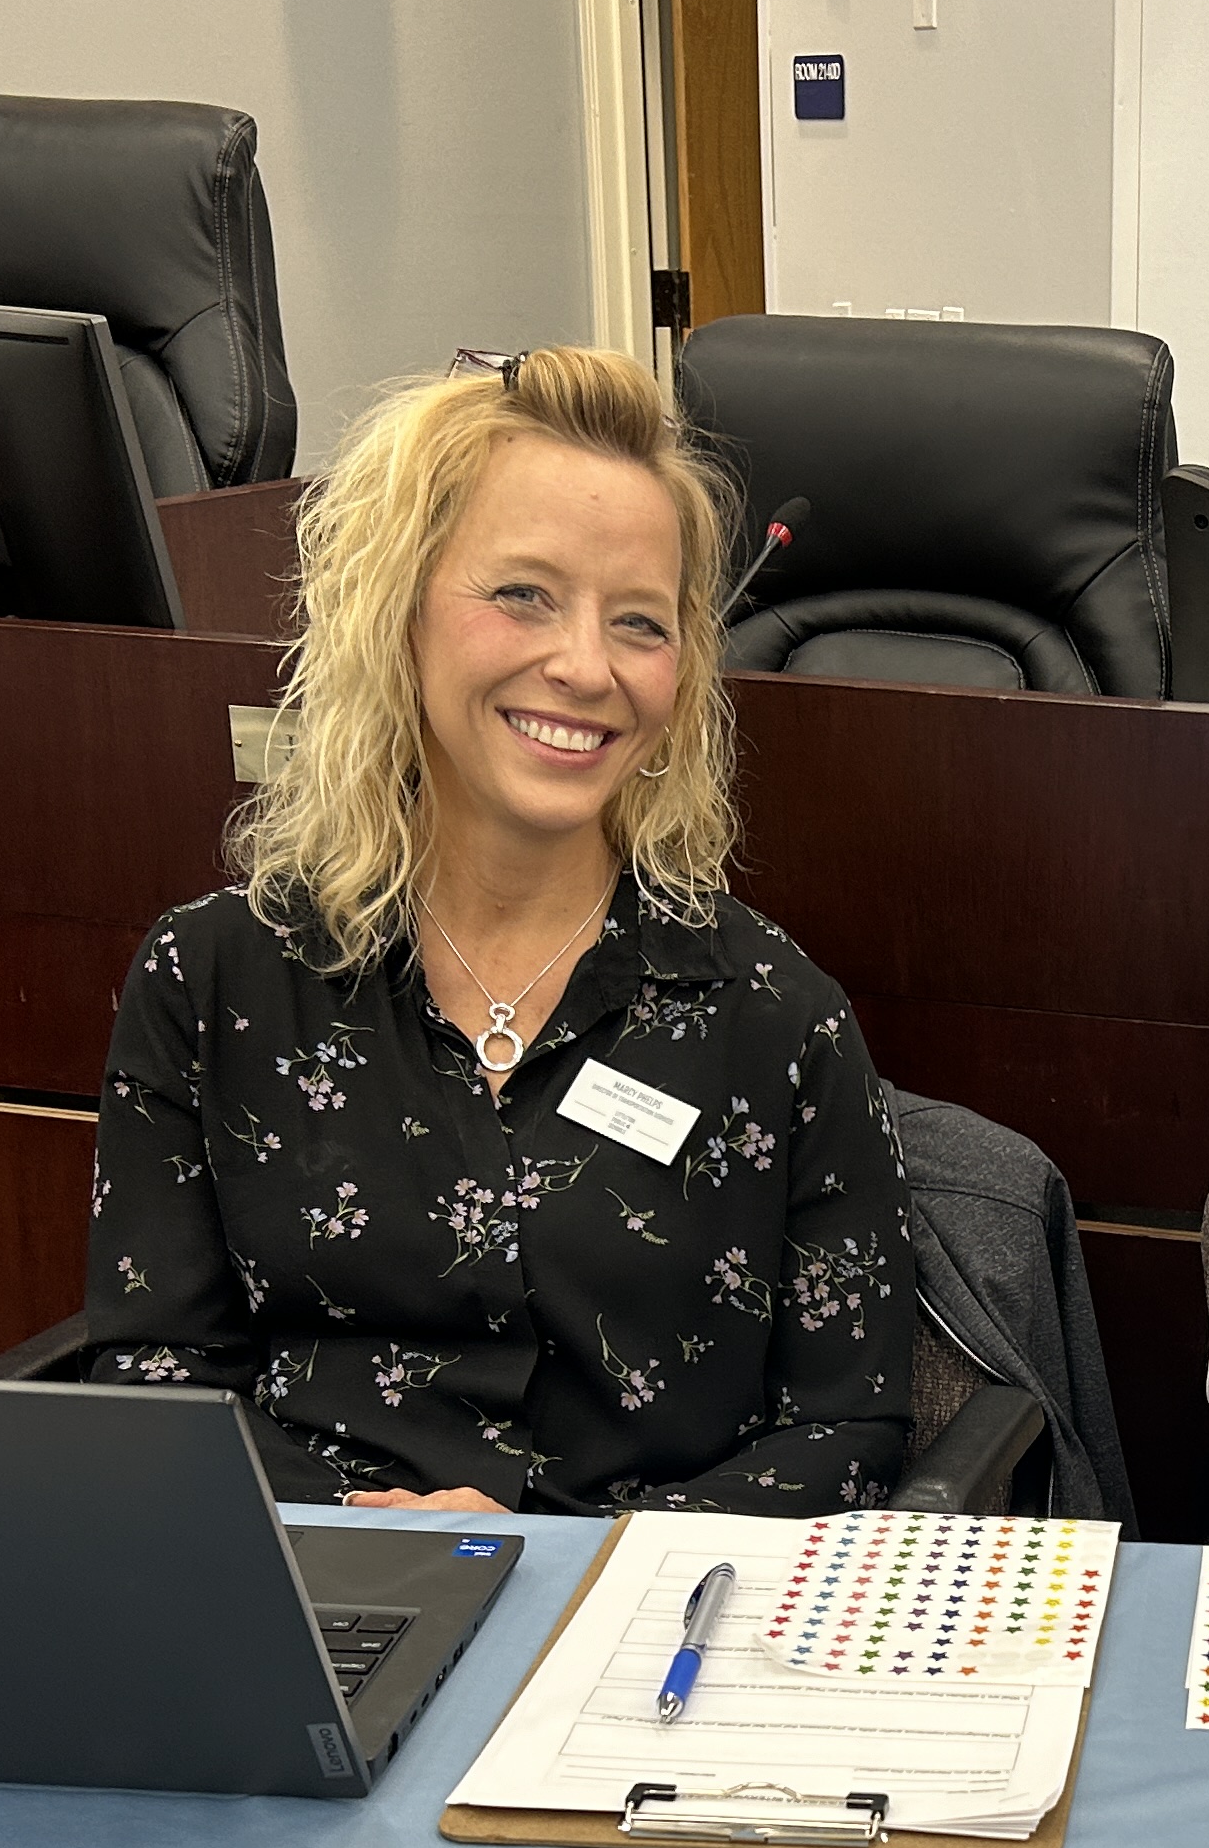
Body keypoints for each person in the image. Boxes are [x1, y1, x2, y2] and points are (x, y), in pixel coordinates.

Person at [82, 347, 913, 1514]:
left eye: (640, 621)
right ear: (399, 610)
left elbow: (850, 1427)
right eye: (523, 594)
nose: (585, 667)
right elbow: (159, 1375)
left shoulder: (773, 1016)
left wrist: (563, 1553)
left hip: (628, 1628)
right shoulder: (215, 978)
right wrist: (346, 1535)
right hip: (312, 1586)